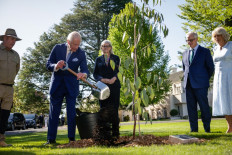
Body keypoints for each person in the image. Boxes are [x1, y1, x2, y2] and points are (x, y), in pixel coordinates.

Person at [45, 31, 89, 145]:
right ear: (68, 42)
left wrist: (83, 74)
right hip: (57, 86)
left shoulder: (81, 53)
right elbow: (48, 64)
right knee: (54, 113)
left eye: (78, 44)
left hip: (71, 87)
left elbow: (85, 69)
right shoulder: (57, 48)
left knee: (71, 113)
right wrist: (56, 66)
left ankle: (72, 139)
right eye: (74, 44)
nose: (76, 47)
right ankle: (51, 139)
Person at [182, 32, 214, 132]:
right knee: (191, 109)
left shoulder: (205, 51)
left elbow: (211, 68)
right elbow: (185, 69)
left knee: (204, 107)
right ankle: (194, 130)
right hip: (188, 85)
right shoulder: (185, 53)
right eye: (187, 40)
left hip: (201, 84)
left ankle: (207, 129)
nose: (189, 42)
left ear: (196, 39)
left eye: (190, 40)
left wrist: (203, 79)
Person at [93, 40, 121, 139]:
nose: (105, 48)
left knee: (114, 109)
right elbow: (95, 74)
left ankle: (115, 133)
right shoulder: (98, 60)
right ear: (101, 48)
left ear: (110, 47)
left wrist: (114, 78)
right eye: (103, 46)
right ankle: (104, 134)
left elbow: (119, 71)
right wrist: (102, 79)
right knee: (103, 109)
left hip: (114, 86)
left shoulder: (116, 58)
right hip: (102, 87)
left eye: (107, 46)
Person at [0, 28, 21, 147]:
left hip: (9, 88)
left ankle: (1, 139)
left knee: (5, 115)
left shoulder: (16, 55)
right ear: (5, 38)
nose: (13, 42)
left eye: (15, 40)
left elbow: (16, 70)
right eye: (12, 39)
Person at [211, 27, 232, 133]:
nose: (216, 38)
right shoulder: (215, 49)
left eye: (218, 35)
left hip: (230, 76)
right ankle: (230, 126)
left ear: (223, 35)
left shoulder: (231, 46)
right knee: (224, 101)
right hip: (219, 78)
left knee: (230, 99)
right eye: (215, 36)